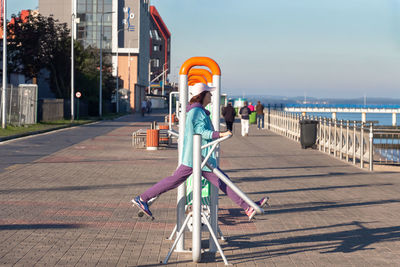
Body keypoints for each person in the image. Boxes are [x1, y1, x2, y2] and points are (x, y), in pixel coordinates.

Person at [132, 83, 268, 220]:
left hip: (200, 157)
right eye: (209, 93)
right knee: (216, 181)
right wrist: (219, 134)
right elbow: (200, 132)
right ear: (202, 95)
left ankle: (248, 206)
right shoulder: (197, 112)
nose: (211, 95)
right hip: (197, 158)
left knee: (221, 181)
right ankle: (142, 198)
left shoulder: (198, 111)